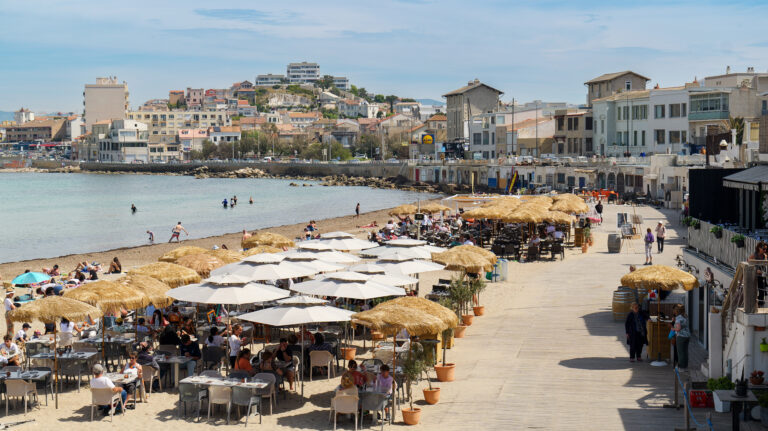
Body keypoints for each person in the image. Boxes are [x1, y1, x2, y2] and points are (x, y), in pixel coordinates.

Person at [673, 304, 691, 369]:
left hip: (681, 336)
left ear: (676, 311)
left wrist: (673, 328)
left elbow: (678, 328)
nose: (673, 311)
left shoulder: (678, 318)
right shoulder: (685, 316)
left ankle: (681, 367)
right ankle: (685, 366)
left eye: (674, 310)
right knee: (685, 352)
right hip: (687, 336)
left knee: (680, 352)